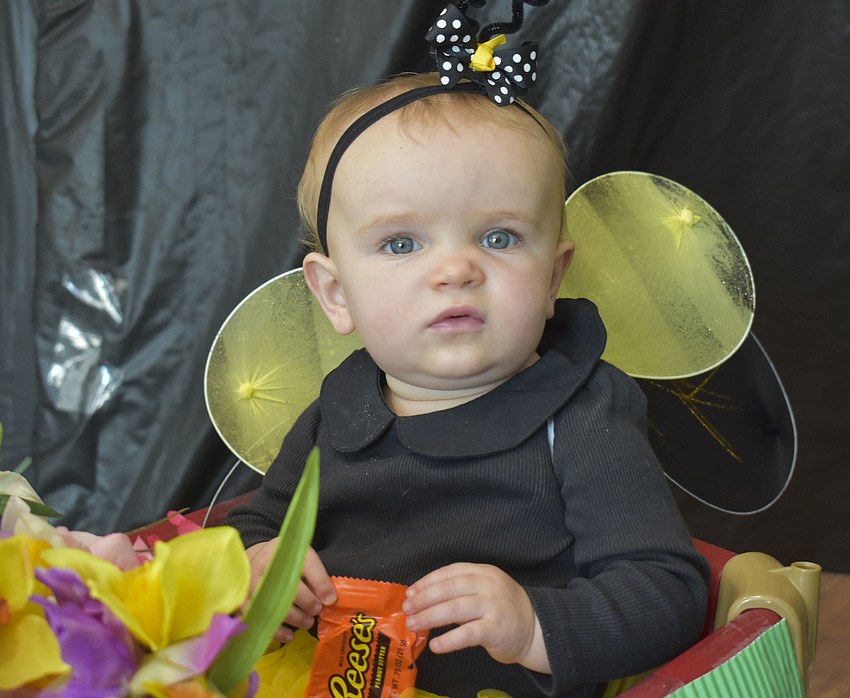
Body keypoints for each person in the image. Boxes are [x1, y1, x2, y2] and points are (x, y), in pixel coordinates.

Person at [225, 70, 709, 697]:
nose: (456, 269)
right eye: (402, 243)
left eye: (499, 238)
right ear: (336, 295)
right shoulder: (335, 412)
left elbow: (667, 591)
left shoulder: (582, 412)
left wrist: (535, 625)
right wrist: (258, 565)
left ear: (554, 276)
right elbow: (255, 522)